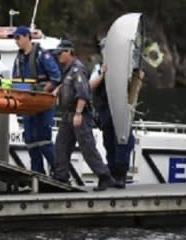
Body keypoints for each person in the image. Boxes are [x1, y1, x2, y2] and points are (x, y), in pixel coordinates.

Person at [51, 39, 118, 191]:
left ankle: (104, 176)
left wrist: (79, 113)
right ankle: (61, 177)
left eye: (60, 53)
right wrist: (58, 89)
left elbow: (83, 92)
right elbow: (69, 84)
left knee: (87, 148)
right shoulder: (68, 69)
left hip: (79, 113)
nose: (58, 56)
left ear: (68, 52)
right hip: (69, 114)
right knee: (61, 145)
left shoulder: (77, 69)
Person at [89, 38, 141, 188]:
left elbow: (133, 90)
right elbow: (90, 85)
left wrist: (138, 78)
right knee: (109, 142)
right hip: (105, 109)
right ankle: (111, 174)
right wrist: (102, 74)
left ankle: (121, 175)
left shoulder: (126, 67)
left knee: (123, 142)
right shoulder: (99, 67)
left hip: (122, 110)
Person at [10, 25, 61, 175]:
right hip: (27, 104)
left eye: (18, 38)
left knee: (43, 138)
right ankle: (37, 173)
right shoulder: (19, 59)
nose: (16, 41)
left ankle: (59, 172)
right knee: (31, 139)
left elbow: (55, 77)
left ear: (27, 36)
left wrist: (41, 94)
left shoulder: (41, 55)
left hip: (41, 103)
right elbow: (15, 79)